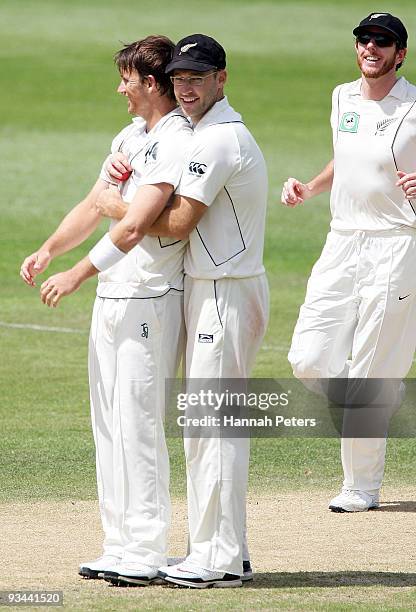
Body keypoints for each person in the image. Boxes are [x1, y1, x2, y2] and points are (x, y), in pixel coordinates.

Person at [20, 35, 193, 585]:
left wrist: (74, 274)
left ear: (150, 83)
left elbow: (133, 224)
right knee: (109, 423)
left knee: (139, 424)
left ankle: (147, 549)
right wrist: (51, 248)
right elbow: (95, 204)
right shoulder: (129, 136)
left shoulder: (176, 141)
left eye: (127, 79)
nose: (120, 87)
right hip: (114, 296)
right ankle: (119, 542)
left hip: (150, 297)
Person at [281, 13, 416, 512]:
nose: (372, 48)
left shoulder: (414, 105)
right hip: (342, 241)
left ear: (399, 53)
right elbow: (346, 154)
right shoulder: (342, 97)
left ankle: (361, 486)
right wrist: (311, 188)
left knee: (369, 374)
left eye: (383, 42)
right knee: (309, 360)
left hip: (398, 243)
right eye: (365, 40)